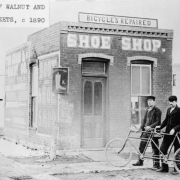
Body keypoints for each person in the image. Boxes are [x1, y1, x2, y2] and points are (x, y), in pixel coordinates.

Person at [132, 96, 162, 170]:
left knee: (155, 148)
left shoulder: (158, 111)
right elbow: (144, 121)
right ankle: (140, 161)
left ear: (154, 102)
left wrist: (150, 126)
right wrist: (139, 127)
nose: (149, 102)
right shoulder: (147, 110)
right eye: (148, 101)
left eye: (151, 100)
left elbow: (158, 122)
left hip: (153, 132)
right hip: (145, 132)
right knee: (141, 146)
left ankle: (156, 164)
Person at [156, 95, 180, 175]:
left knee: (177, 152)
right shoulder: (168, 109)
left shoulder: (179, 110)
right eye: (169, 102)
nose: (170, 104)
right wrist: (160, 126)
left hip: (176, 135)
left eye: (172, 102)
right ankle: (164, 168)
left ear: (176, 101)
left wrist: (174, 129)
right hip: (167, 134)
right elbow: (166, 120)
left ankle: (177, 169)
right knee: (162, 149)